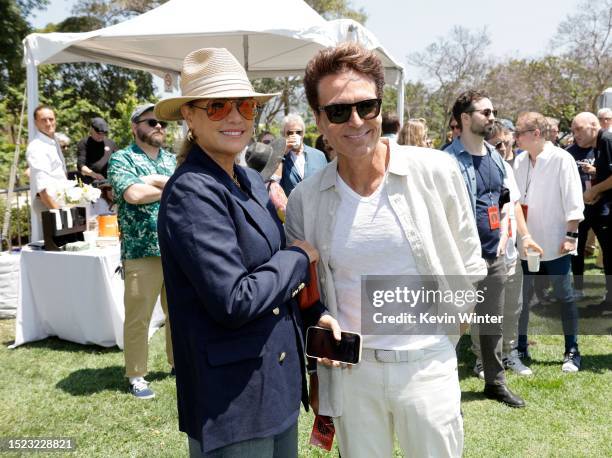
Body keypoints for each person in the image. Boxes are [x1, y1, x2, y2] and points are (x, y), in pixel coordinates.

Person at [287, 42, 487, 458]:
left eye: (367, 106)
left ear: (381, 107)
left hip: (427, 364)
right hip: (352, 374)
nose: (356, 121)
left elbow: (469, 259)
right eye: (339, 111)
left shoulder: (436, 171)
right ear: (319, 121)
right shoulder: (307, 197)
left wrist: (455, 326)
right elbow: (308, 287)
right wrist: (321, 316)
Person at [154, 47, 332, 457]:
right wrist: (299, 257)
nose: (235, 117)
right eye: (217, 106)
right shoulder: (192, 190)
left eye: (245, 105)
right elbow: (234, 298)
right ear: (190, 117)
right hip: (232, 400)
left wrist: (314, 314)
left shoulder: (250, 179)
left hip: (277, 382)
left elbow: (272, 264)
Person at [444, 90, 541, 407]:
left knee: (491, 323)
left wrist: (505, 236)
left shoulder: (496, 158)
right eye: (485, 111)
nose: (491, 116)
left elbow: (502, 199)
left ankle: (494, 382)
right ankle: (442, 387)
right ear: (465, 117)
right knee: (451, 322)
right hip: (458, 259)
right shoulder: (446, 162)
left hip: (493, 255)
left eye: (493, 110)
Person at [107, 103, 175, 399]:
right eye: (151, 122)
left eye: (162, 123)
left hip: (175, 248)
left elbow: (189, 187)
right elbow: (133, 194)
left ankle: (179, 364)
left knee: (179, 313)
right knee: (139, 317)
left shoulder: (172, 159)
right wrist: (172, 186)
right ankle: (136, 375)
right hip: (141, 249)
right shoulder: (122, 159)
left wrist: (154, 182)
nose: (159, 127)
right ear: (135, 127)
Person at [514, 112, 584, 372]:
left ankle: (572, 350)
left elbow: (574, 200)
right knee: (521, 300)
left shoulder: (562, 159)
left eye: (520, 132)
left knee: (564, 297)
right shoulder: (520, 161)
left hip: (556, 242)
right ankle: (519, 347)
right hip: (527, 244)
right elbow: (515, 202)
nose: (515, 137)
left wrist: (571, 236)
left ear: (536, 134)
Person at [571, 112, 612, 308]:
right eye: (573, 130)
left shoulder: (607, 141)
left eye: (579, 129)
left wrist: (595, 190)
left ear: (594, 126)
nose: (575, 134)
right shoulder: (596, 146)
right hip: (589, 208)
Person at [26, 105, 68, 242]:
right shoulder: (37, 147)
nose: (49, 123)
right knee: (56, 252)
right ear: (35, 123)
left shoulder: (52, 142)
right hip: (49, 205)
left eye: (51, 119)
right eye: (43, 120)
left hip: (58, 203)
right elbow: (43, 189)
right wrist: (59, 214)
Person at [279, 113, 327, 196]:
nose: (294, 135)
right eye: (290, 133)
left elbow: (327, 182)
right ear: (284, 135)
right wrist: (283, 154)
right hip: (292, 207)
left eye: (298, 132)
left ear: (303, 134)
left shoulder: (318, 155)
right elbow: (275, 182)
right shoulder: (279, 158)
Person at [77, 117, 118, 183]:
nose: (101, 136)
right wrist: (94, 174)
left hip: (109, 181)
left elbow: (119, 161)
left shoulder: (111, 143)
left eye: (103, 133)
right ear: (92, 129)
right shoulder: (84, 143)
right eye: (98, 133)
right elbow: (81, 166)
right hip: (91, 181)